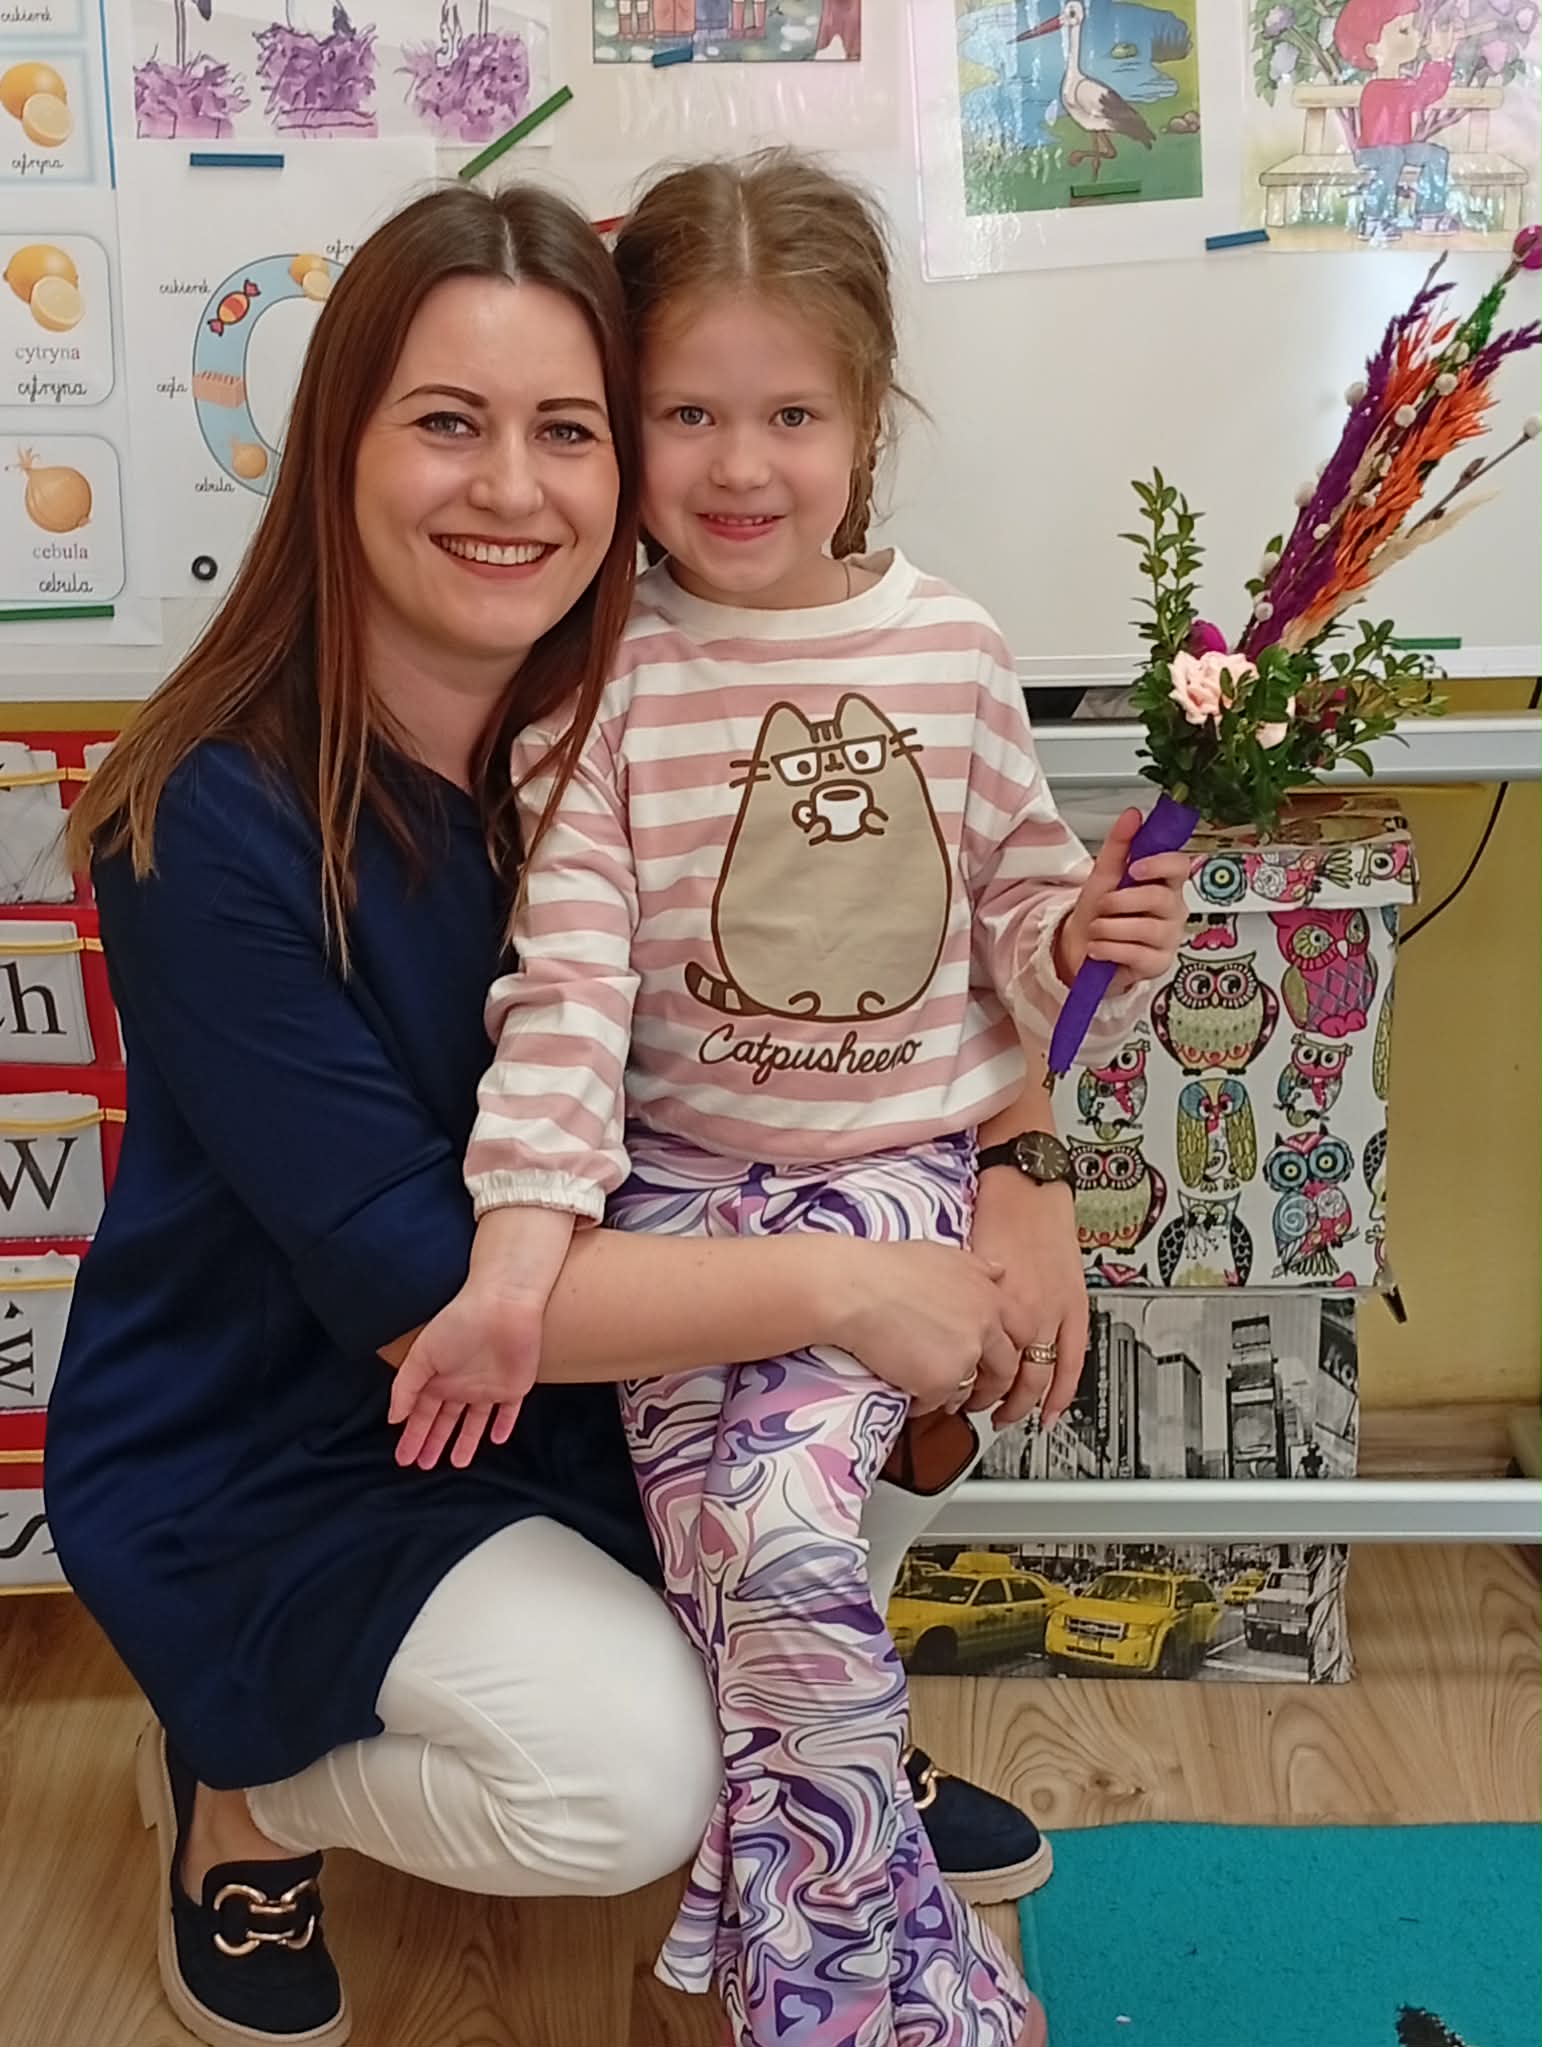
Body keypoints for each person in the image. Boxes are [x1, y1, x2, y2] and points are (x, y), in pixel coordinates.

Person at [44, 181, 1043, 2047]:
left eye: (567, 429)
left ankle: (802, 1741)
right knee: (625, 1782)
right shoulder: (206, 821)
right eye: (448, 421)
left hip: (588, 1369)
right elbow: (430, 1293)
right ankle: (246, 1784)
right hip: (303, 1435)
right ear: (337, 443)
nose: (511, 487)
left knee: (925, 1355)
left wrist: (1020, 1165)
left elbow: (908, 948)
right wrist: (851, 1285)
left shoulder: (656, 708)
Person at [390, 152, 1190, 2046]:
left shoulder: (948, 650)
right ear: (627, 417)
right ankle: (853, 1955)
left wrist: (1081, 930)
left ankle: (840, 1997)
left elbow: (1016, 927)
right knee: (746, 1593)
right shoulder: (598, 684)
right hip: (677, 1208)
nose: (738, 466)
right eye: (685, 414)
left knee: (783, 1547)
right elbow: (563, 999)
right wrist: (519, 1253)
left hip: (891, 1185)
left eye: (791, 416)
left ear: (865, 419)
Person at [1336, 0, 1462, 243]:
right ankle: (1374, 218)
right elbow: (1419, 95)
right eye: (1404, 30)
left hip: (1400, 149)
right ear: (1372, 49)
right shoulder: (1375, 89)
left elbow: (1424, 93)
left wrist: (1441, 60)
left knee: (1435, 155)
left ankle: (1430, 214)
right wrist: (1437, 63)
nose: (1416, 35)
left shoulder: (1403, 85)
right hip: (1371, 152)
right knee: (1391, 156)